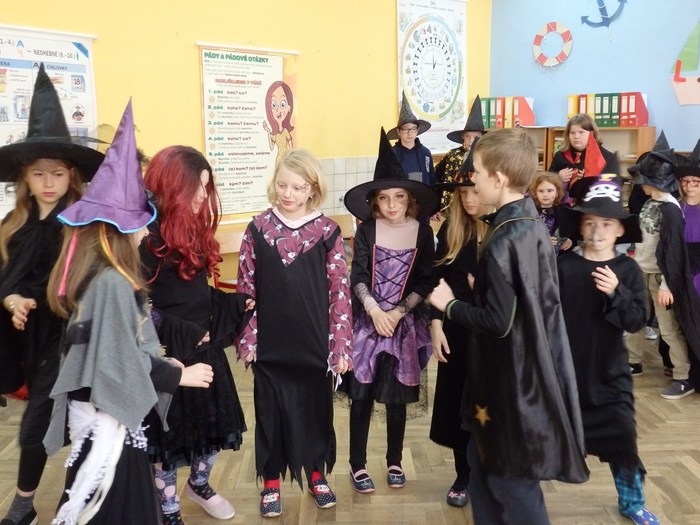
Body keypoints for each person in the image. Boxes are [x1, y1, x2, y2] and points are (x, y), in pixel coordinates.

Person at [43, 100, 214, 525]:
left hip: (100, 410)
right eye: (139, 224)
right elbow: (117, 360)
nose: (144, 232)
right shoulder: (112, 283)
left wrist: (163, 363)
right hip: (106, 418)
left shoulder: (98, 274)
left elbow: (117, 347)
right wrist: (177, 375)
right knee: (118, 504)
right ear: (117, 233)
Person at [430, 128, 588, 525]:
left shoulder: (504, 237)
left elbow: (499, 323)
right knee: (481, 463)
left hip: (512, 383)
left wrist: (449, 305)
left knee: (510, 480)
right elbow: (524, 298)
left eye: (478, 172)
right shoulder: (528, 223)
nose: (473, 179)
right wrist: (483, 289)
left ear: (498, 178)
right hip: (521, 373)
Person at [0, 64, 104, 525]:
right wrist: (13, 301)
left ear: (71, 176)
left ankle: (71, 499)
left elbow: (95, 282)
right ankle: (26, 502)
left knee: (73, 420)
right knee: (40, 422)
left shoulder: (83, 226)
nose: (47, 183)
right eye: (38, 174)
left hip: (76, 339)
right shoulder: (13, 226)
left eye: (57, 174)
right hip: (34, 340)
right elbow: (7, 281)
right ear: (25, 177)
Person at [235, 149, 352, 518]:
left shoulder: (328, 232)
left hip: (315, 344)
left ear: (312, 189)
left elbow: (339, 293)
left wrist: (340, 347)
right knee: (270, 414)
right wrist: (249, 338)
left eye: (298, 188)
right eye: (283, 185)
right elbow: (246, 290)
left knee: (316, 413)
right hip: (270, 345)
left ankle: (317, 475)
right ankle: (271, 481)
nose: (288, 193)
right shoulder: (257, 229)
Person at [140, 146, 253, 525]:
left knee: (215, 426)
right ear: (173, 186)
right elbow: (140, 310)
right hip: (166, 355)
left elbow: (197, 293)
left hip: (204, 350)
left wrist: (232, 304)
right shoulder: (143, 238)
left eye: (207, 186)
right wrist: (181, 332)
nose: (204, 195)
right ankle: (169, 508)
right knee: (167, 442)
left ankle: (199, 485)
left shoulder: (192, 229)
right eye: (197, 187)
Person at [557, 175, 660, 525]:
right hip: (566, 373)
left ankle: (632, 502)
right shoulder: (564, 266)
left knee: (622, 438)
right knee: (543, 435)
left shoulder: (626, 269)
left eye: (606, 223)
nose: (597, 230)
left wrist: (616, 292)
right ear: (580, 227)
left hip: (609, 374)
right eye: (590, 222)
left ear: (619, 230)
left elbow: (636, 320)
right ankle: (521, 500)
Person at [342, 128, 438, 495]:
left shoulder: (422, 233)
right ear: (375, 202)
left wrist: (397, 313)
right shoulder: (367, 231)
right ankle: (357, 463)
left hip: (403, 324)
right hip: (368, 323)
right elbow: (358, 275)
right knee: (362, 397)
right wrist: (373, 310)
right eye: (384, 198)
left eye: (399, 196)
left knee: (396, 398)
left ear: (410, 198)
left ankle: (394, 459)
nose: (392, 204)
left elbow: (425, 280)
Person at [429, 143, 490, 508]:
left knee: (486, 404)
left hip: (490, 332)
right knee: (456, 402)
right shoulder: (452, 228)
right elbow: (437, 279)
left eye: (473, 192)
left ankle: (488, 473)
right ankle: (463, 474)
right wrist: (435, 325)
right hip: (454, 328)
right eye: (462, 193)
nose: (468, 200)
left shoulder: (501, 231)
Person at [627, 132, 700, 399]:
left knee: (668, 328)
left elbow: (674, 251)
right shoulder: (650, 203)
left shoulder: (671, 210)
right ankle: (633, 361)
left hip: (660, 277)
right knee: (635, 319)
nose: (640, 185)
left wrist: (668, 285)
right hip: (642, 271)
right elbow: (644, 238)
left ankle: (682, 375)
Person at [548, 113, 620, 204]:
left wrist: (589, 179)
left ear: (591, 134)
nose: (576, 136)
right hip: (563, 204)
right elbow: (547, 180)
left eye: (581, 132)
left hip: (592, 205)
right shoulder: (560, 156)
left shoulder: (606, 157)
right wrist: (557, 176)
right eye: (572, 133)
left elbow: (613, 185)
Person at [434, 95, 485, 211]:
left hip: (477, 205)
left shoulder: (486, 157)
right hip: (451, 207)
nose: (471, 140)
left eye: (475, 137)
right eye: (467, 136)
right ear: (462, 137)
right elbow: (436, 177)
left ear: (482, 138)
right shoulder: (452, 155)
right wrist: (436, 206)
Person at [387, 92, 435, 188]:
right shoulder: (392, 154)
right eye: (405, 129)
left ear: (417, 130)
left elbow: (431, 179)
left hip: (423, 195)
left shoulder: (425, 153)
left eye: (413, 129)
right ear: (398, 131)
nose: (410, 133)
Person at [677, 138, 700, 297]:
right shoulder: (676, 207)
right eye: (685, 181)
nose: (689, 185)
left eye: (695, 181)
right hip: (682, 261)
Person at [529, 171, 573, 252]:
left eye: (549, 191)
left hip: (557, 255)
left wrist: (570, 241)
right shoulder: (530, 212)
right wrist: (541, 240)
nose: (545, 195)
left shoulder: (564, 212)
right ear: (535, 193)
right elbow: (526, 235)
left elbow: (572, 232)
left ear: (557, 193)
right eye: (541, 191)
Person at [262, 80, 294, 164]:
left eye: (282, 104)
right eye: (273, 105)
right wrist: (268, 131)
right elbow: (272, 147)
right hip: (279, 160)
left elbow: (291, 149)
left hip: (287, 160)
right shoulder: (275, 135)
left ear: (289, 107)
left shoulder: (286, 131)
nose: (277, 110)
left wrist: (291, 161)